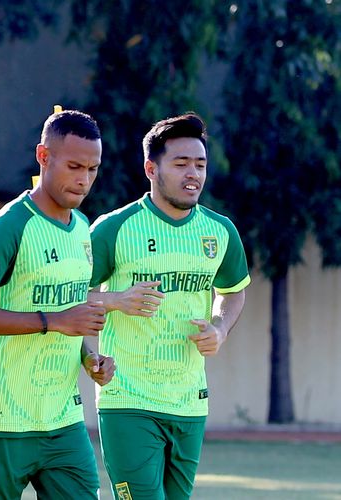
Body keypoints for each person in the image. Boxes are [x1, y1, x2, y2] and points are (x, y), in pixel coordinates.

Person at [0, 110, 115, 500]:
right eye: (74, 166)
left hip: (63, 421)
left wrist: (90, 357)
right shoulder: (9, 225)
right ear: (43, 156)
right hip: (0, 420)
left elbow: (70, 317)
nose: (84, 179)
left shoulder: (81, 230)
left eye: (93, 168)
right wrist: (54, 321)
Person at [88, 112, 250, 500]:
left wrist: (220, 328)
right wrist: (115, 300)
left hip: (189, 401)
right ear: (151, 168)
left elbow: (233, 291)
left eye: (200, 164)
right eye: (180, 163)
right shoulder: (114, 228)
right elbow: (72, 295)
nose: (193, 173)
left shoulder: (220, 231)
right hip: (127, 398)